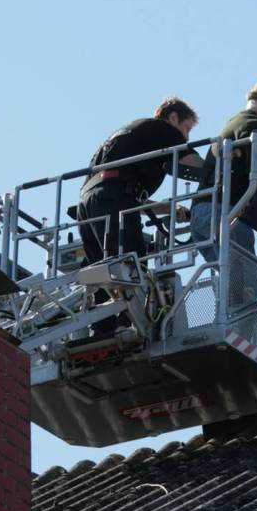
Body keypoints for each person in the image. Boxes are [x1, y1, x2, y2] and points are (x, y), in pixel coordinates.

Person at [72, 97, 203, 334]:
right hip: (113, 199)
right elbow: (190, 161)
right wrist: (221, 169)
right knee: (129, 264)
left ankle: (102, 331)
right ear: (173, 117)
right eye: (187, 129)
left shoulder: (131, 133)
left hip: (90, 204)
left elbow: (126, 192)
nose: (186, 138)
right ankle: (126, 327)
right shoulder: (162, 129)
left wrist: (172, 210)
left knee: (101, 271)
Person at [190, 77, 257, 303]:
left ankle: (231, 318)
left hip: (200, 218)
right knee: (248, 290)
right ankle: (236, 320)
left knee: (238, 284)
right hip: (223, 217)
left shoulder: (232, 124)